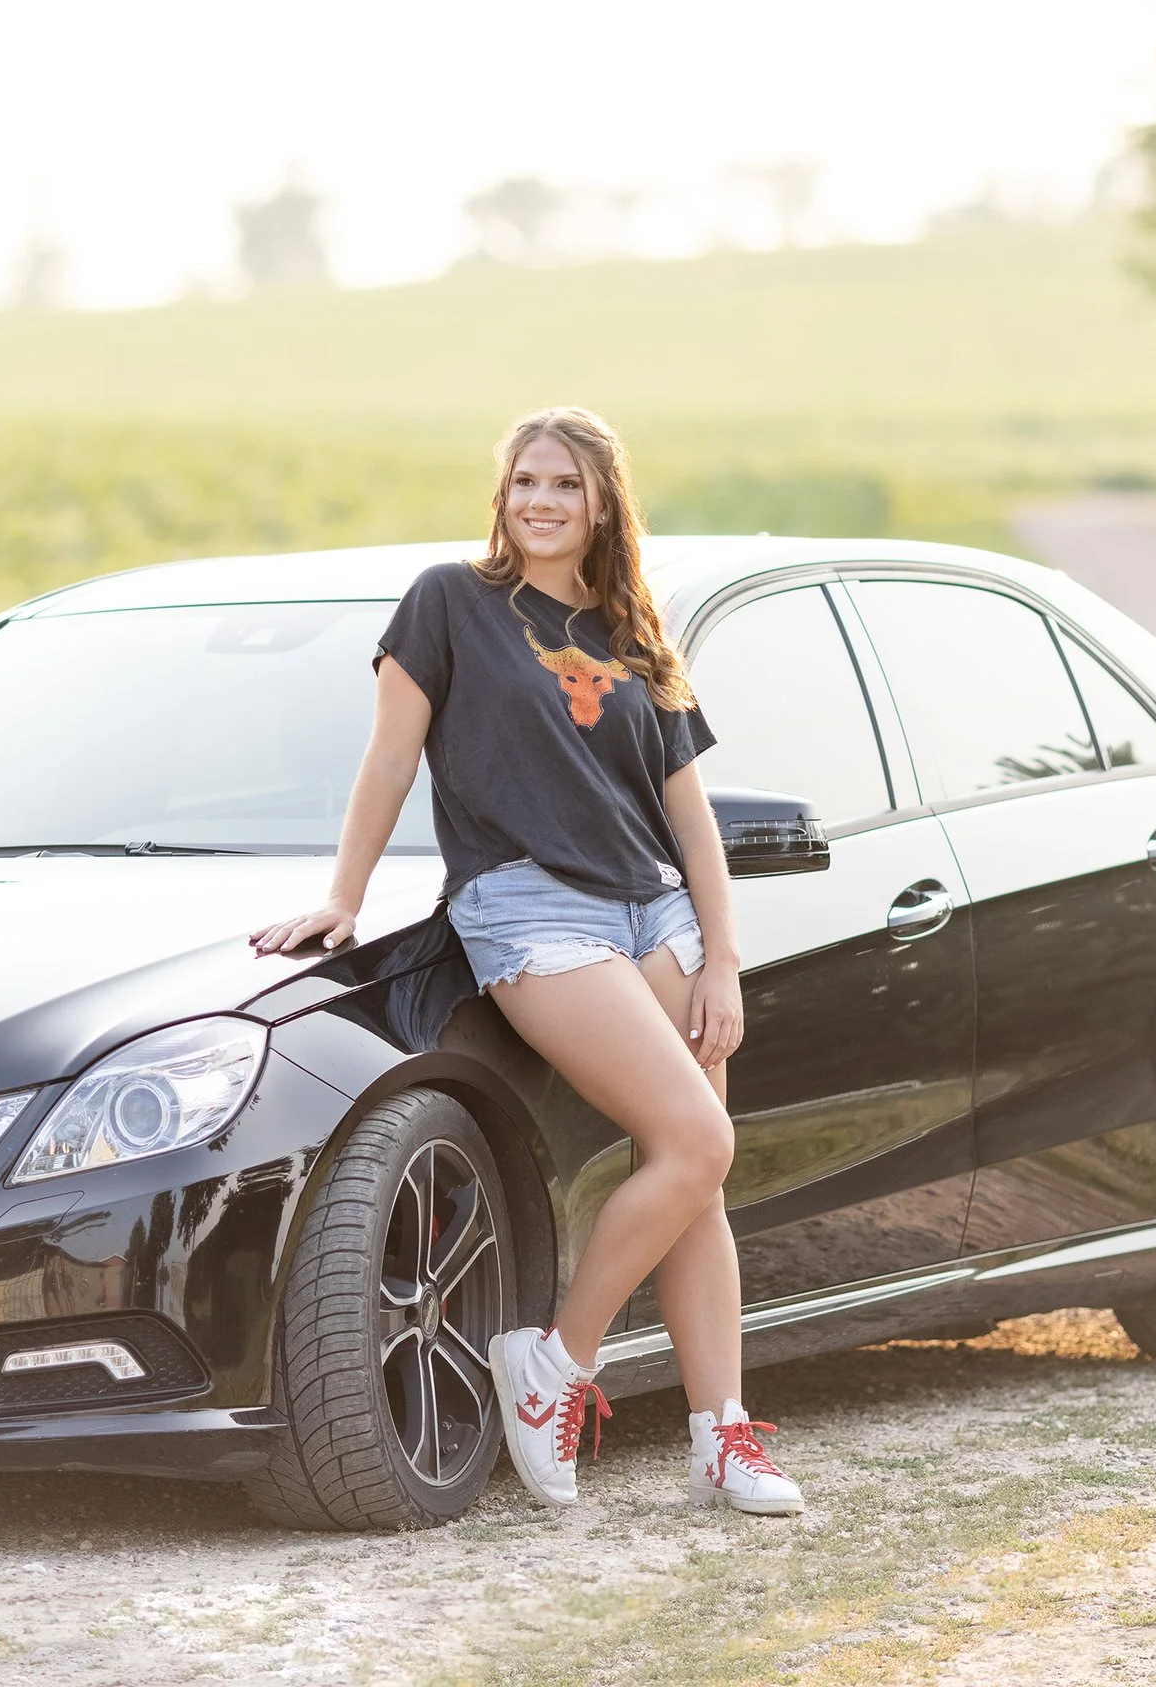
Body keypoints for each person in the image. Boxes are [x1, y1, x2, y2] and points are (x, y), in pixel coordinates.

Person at [251, 405, 803, 1518]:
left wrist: (724, 958)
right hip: (529, 907)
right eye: (523, 482)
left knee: (696, 1180)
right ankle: (555, 1364)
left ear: (603, 501)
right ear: (501, 497)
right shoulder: (450, 603)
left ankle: (722, 1436)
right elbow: (389, 759)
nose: (540, 502)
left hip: (658, 914)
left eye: (564, 484)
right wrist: (342, 898)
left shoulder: (638, 632)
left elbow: (689, 821)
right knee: (698, 1137)